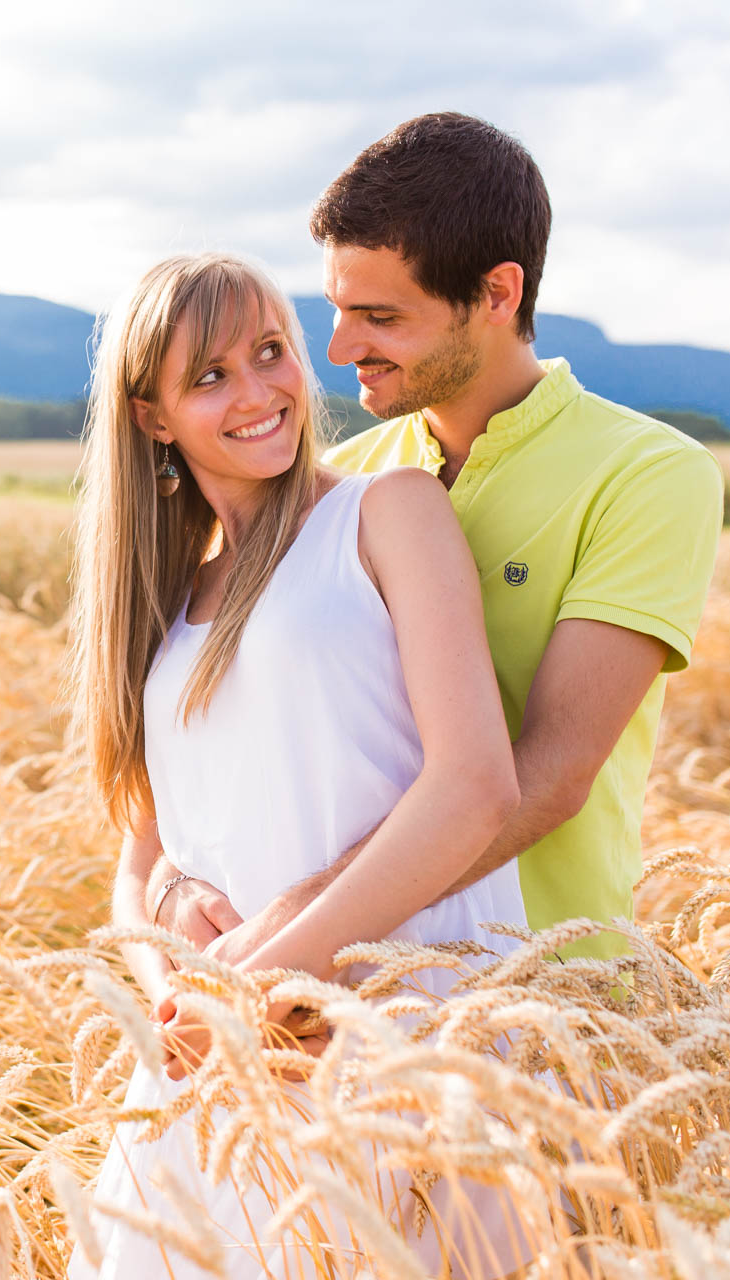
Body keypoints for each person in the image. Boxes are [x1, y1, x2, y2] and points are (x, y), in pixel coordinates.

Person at [146, 114, 726, 1026]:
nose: (339, 350)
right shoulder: (345, 481)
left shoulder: (648, 474)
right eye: (336, 311)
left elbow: (552, 769)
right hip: (326, 1007)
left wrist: (307, 928)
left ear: (498, 293)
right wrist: (175, 885)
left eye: (382, 317)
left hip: (547, 995)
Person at [63, 251, 537, 1279]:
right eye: (211, 376)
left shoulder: (384, 513)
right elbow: (139, 866)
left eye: (269, 352)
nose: (259, 391)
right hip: (219, 1068)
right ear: (153, 417)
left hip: (391, 1039)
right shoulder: (167, 614)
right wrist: (177, 1000)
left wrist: (280, 971)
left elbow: (476, 784)